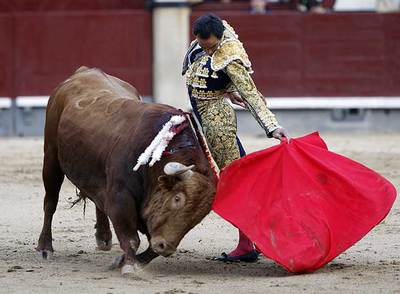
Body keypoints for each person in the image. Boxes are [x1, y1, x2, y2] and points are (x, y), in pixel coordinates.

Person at [182, 14, 289, 262]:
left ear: (219, 38)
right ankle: (255, 239)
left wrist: (272, 127)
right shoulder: (206, 35)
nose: (205, 48)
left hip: (218, 122)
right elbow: (204, 73)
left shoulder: (230, 56)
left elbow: (251, 94)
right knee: (239, 180)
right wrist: (227, 90)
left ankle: (248, 244)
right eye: (201, 43)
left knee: (235, 182)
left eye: (210, 45)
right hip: (205, 118)